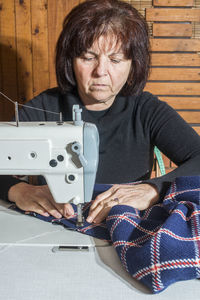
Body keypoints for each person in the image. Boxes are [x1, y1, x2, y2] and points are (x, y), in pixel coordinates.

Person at [1, 0, 200, 224]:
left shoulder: (146, 110)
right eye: (88, 58)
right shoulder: (44, 107)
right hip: (55, 223)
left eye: (115, 60)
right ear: (70, 60)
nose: (101, 72)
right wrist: (18, 190)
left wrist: (154, 188)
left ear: (133, 65)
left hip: (124, 225)